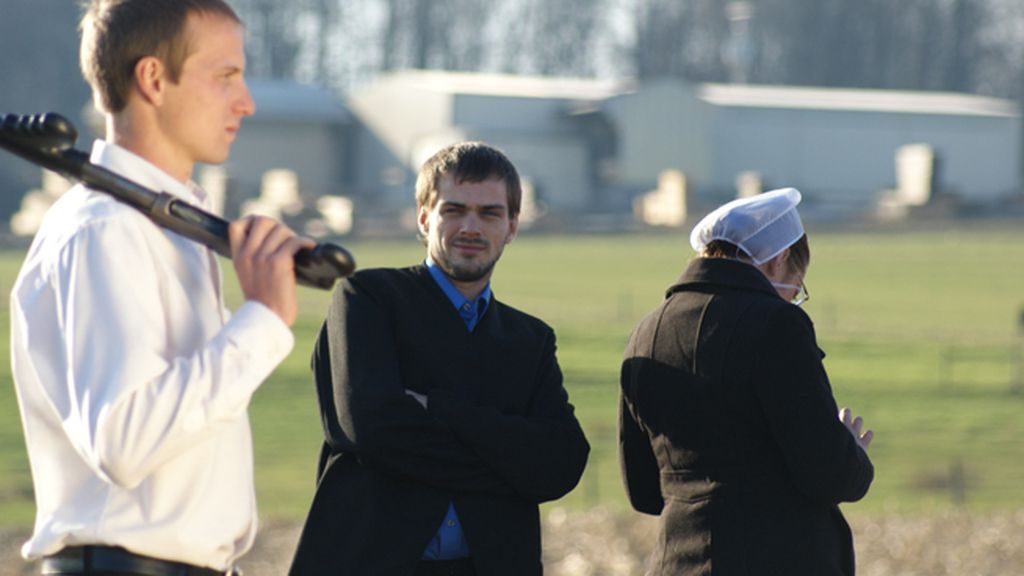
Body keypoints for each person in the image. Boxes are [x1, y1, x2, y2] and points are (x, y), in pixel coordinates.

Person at [10, 1, 313, 574]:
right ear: (153, 79)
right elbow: (125, 439)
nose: (245, 102)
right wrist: (264, 320)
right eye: (226, 77)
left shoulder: (167, 229)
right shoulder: (106, 232)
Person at [289, 142, 590, 576]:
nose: (471, 227)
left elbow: (561, 464)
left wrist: (439, 409)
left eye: (489, 213)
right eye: (454, 210)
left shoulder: (531, 339)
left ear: (512, 226)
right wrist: (508, 468)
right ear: (425, 216)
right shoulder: (368, 300)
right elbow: (370, 429)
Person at [619, 188, 875, 575]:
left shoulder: (646, 333)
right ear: (779, 258)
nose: (792, 300)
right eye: (796, 288)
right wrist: (850, 452)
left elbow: (643, 491)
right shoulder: (777, 326)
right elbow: (829, 475)